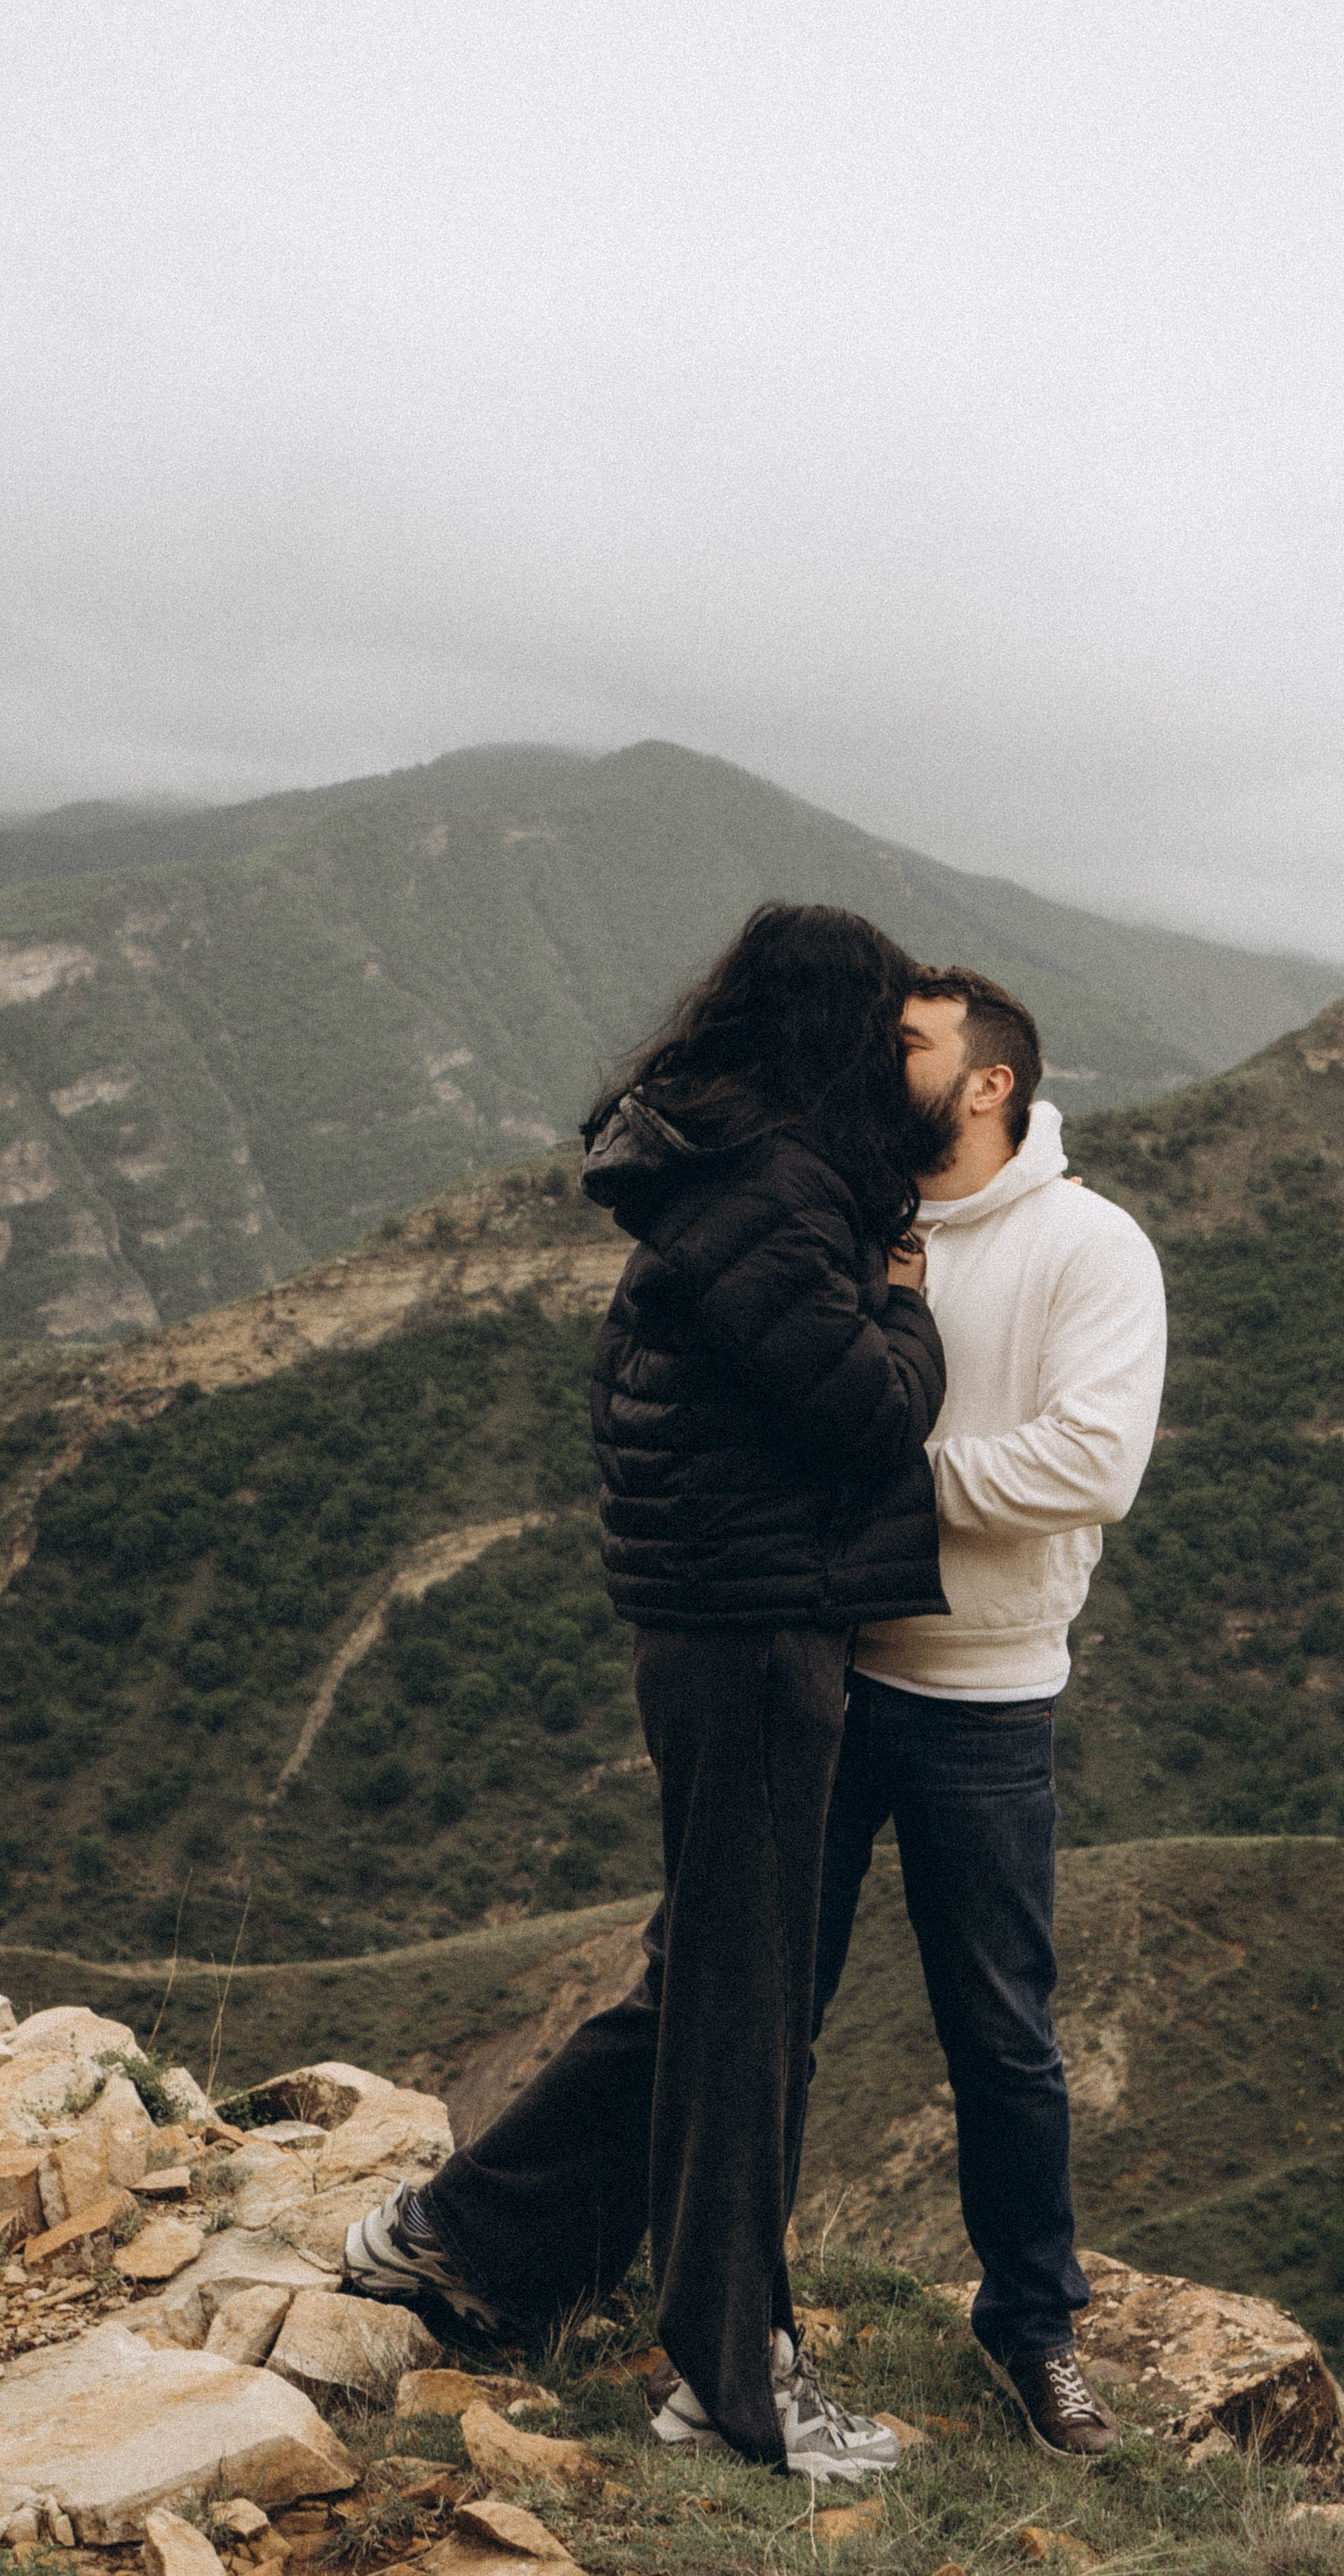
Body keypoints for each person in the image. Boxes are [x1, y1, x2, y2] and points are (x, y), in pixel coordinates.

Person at [342, 904, 950, 2482]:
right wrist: (906, 1295)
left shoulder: (728, 1171)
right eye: (887, 1035)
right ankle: (732, 2378)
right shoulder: (778, 1198)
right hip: (753, 1633)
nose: (903, 1069)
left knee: (707, 1982)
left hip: (722, 1620)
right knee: (746, 2018)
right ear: (833, 1034)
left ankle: (455, 2233)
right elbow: (868, 1416)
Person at [804, 966, 1167, 2458]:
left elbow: (1091, 1464)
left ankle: (1031, 2334)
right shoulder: (846, 1220)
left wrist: (893, 1485)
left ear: (985, 1085)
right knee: (771, 2009)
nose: (874, 1057)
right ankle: (725, 2305)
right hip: (821, 1674)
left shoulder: (1089, 1246)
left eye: (905, 1043)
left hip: (983, 1697)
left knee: (1001, 2041)